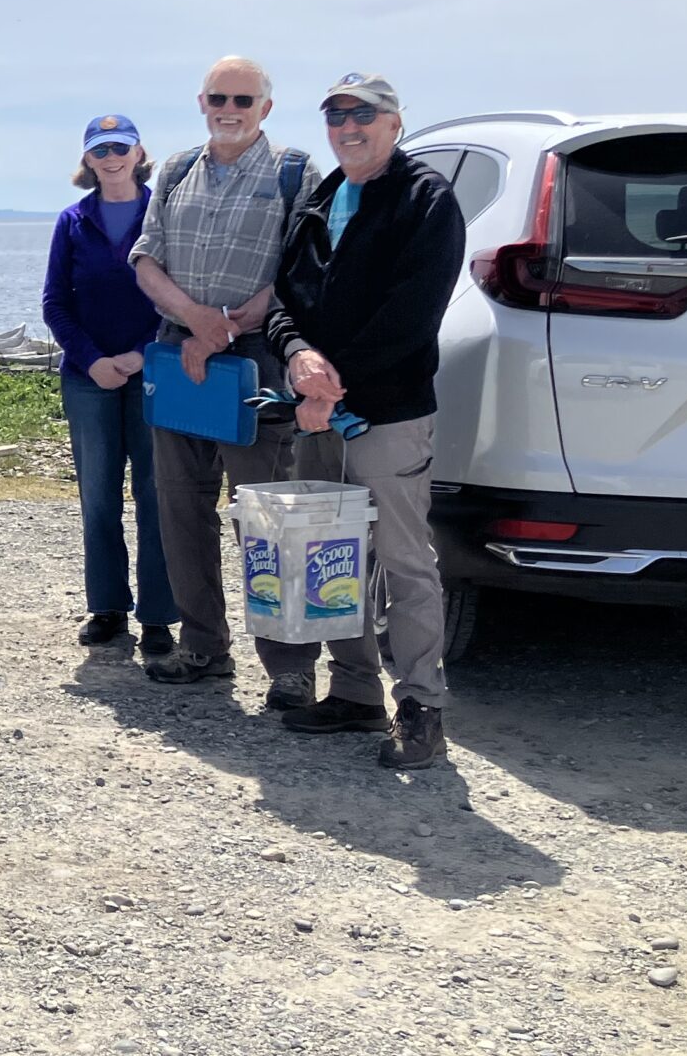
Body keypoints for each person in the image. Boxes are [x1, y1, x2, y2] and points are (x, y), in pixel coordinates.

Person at [261, 74, 467, 768]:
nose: (349, 126)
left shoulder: (427, 200)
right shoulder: (320, 199)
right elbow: (283, 298)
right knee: (329, 557)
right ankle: (354, 694)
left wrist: (330, 382)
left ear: (395, 123)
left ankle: (422, 707)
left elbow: (413, 316)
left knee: (406, 564)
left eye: (364, 115)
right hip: (319, 411)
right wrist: (297, 358)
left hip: (387, 414)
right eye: (336, 115)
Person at [129, 56, 312, 699]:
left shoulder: (295, 172)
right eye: (218, 98)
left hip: (258, 358)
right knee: (182, 509)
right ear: (200, 101)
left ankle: (289, 669)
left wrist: (227, 329)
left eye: (242, 99)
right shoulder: (175, 170)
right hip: (180, 357)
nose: (228, 109)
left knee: (264, 519)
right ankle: (204, 649)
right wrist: (196, 321)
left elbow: (298, 270)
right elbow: (146, 258)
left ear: (266, 107)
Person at [42, 113, 175, 656]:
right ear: (88, 160)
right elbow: (55, 303)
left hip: (153, 375)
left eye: (121, 147)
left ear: (140, 152)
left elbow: (176, 294)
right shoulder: (72, 221)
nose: (112, 157)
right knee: (98, 496)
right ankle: (107, 608)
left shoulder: (162, 215)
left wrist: (142, 354)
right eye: (101, 150)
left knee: (156, 494)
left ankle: (160, 616)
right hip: (89, 379)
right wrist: (93, 359)